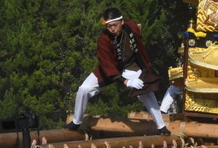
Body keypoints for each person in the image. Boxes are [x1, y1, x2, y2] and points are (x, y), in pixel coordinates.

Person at [66, 7, 170, 135]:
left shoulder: (131, 27)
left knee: (146, 91)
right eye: (109, 26)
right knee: (83, 89)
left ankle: (161, 126)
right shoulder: (103, 40)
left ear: (122, 22)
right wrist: (126, 82)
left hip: (130, 67)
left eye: (114, 25)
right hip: (109, 68)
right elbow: (106, 64)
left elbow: (138, 34)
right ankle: (77, 121)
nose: (112, 29)